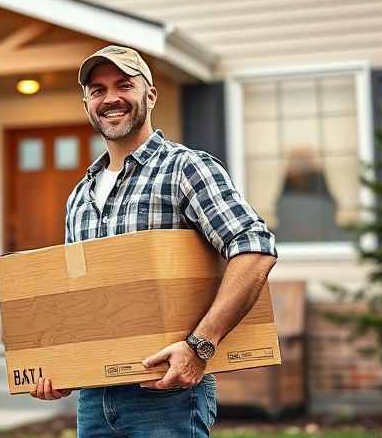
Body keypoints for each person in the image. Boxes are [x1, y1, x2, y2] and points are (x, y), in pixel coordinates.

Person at [30, 45, 279, 437]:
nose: (110, 98)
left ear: (150, 94)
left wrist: (200, 347)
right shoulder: (79, 195)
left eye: (123, 85)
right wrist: (61, 364)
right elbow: (79, 299)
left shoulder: (186, 168)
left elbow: (254, 249)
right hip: (94, 401)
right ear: (86, 104)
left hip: (168, 396)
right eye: (97, 90)